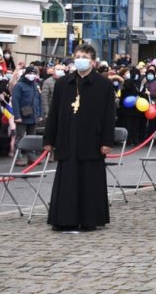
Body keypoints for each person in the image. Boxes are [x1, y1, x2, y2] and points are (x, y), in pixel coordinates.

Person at [43, 44, 115, 232]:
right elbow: (54, 114)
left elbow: (109, 116)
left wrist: (107, 142)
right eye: (77, 56)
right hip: (67, 138)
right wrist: (49, 140)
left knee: (89, 180)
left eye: (84, 56)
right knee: (67, 179)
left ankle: (89, 219)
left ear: (93, 60)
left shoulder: (104, 85)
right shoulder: (63, 83)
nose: (80, 59)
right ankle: (64, 218)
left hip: (92, 139)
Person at [9, 66, 43, 166]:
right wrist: (17, 116)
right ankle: (18, 158)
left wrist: (40, 114)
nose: (32, 75)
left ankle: (31, 157)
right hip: (22, 116)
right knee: (19, 137)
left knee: (32, 137)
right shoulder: (19, 85)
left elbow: (39, 100)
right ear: (26, 74)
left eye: (34, 73)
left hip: (34, 116)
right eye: (30, 73)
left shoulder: (36, 85)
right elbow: (15, 101)